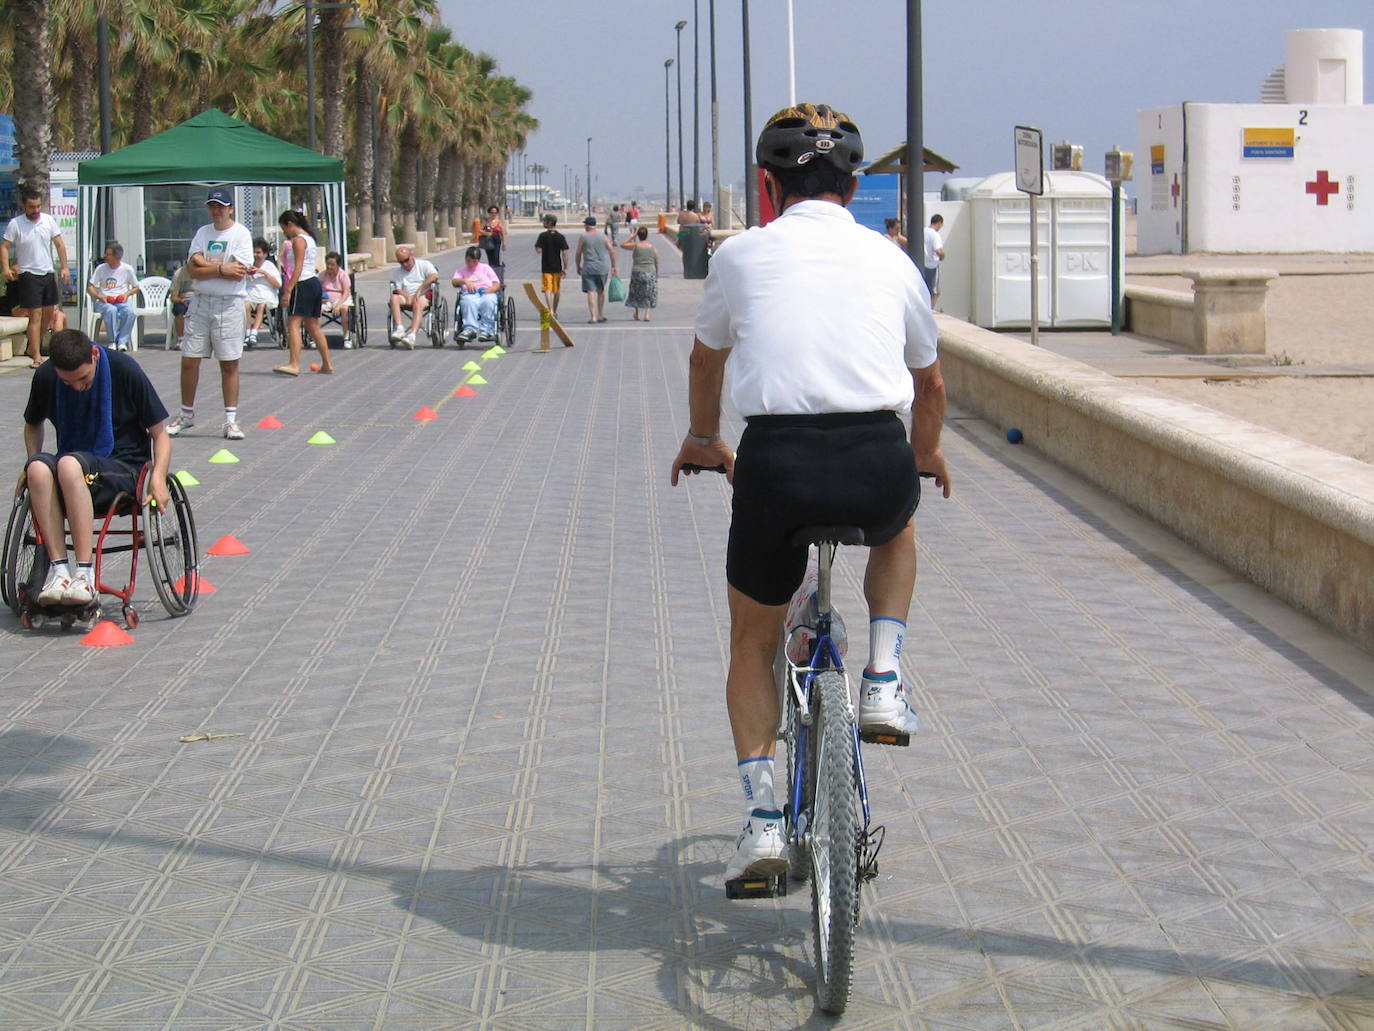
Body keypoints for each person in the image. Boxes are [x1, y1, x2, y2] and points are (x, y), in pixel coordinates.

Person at [669, 103, 951, 888]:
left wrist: (702, 440)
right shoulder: (893, 258)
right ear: (854, 185)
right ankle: (885, 680)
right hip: (872, 454)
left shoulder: (739, 256)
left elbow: (705, 363)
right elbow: (930, 381)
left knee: (750, 645)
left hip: (777, 464)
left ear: (767, 187)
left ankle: (763, 824)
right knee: (898, 522)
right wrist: (924, 453)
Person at [19, 328, 170, 607]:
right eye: (68, 382)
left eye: (83, 378)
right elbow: (33, 424)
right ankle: (60, 570)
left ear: (94, 354)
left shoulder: (124, 369)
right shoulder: (47, 376)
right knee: (38, 469)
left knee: (67, 464)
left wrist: (158, 476)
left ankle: (85, 573)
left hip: (123, 467)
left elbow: (160, 433)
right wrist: (31, 459)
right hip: (73, 465)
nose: (77, 387)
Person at [169, 187, 253, 441]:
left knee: (229, 362)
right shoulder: (202, 233)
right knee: (189, 358)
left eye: (221, 206)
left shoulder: (241, 234)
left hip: (229, 304)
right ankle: (186, 414)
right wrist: (219, 268)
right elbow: (192, 269)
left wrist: (208, 266)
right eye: (212, 206)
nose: (216, 211)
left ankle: (230, 420)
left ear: (230, 209)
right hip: (201, 302)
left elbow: (238, 270)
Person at [1, 187, 69, 368]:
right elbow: (5, 246)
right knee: (35, 316)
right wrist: (6, 268)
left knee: (49, 315)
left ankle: (33, 346)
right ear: (24, 206)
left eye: (38, 206)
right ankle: (36, 356)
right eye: (32, 207)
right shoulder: (16, 224)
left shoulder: (48, 221)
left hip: (47, 272)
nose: (36, 210)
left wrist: (64, 267)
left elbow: (60, 245)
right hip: (28, 274)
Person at [272, 210, 333, 375]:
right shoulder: (310, 239)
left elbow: (297, 267)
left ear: (290, 224)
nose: (284, 232)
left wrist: (288, 290)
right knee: (313, 326)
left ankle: (294, 363)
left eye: (284, 228)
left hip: (302, 283)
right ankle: (327, 363)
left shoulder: (298, 240)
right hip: (313, 282)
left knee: (293, 323)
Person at [85, 242, 139, 352]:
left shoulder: (127, 269)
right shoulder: (101, 268)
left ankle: (122, 341)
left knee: (130, 313)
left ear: (116, 257)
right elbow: (90, 287)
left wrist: (126, 295)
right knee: (111, 310)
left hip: (120, 301)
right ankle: (112, 341)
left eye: (108, 254)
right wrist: (98, 296)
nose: (105, 256)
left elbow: (136, 287)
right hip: (104, 301)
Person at [388, 246, 438, 349]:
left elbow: (434, 276)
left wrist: (419, 291)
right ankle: (400, 328)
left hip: (423, 295)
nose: (405, 264)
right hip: (406, 296)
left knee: (418, 303)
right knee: (394, 298)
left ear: (411, 255)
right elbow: (397, 289)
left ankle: (412, 335)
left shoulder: (424, 265)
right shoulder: (398, 272)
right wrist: (406, 295)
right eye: (401, 262)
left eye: (406, 260)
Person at [451, 246, 502, 343]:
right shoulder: (461, 271)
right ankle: (470, 329)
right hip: (470, 293)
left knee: (488, 301)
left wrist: (491, 289)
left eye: (474, 261)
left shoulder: (486, 268)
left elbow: (497, 283)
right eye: (468, 261)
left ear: (478, 260)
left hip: (486, 292)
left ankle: (487, 330)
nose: (471, 264)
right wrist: (465, 281)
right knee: (468, 302)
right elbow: (454, 281)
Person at [574, 216, 616, 324]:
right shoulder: (603, 236)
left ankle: (593, 316)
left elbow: (578, 253)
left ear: (587, 226)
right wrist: (614, 266)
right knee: (601, 291)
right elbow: (611, 251)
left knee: (590, 292)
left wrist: (578, 265)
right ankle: (600, 315)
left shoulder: (583, 236)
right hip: (602, 268)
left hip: (589, 267)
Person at [243, 238, 281, 350]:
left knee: (261, 305)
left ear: (265, 254)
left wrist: (264, 273)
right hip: (250, 293)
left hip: (265, 293)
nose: (256, 255)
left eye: (258, 252)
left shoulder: (269, 265)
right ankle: (247, 333)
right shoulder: (248, 264)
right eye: (254, 252)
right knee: (246, 305)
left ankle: (254, 333)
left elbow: (278, 284)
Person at [618, 226, 659, 321]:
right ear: (647, 235)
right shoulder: (652, 247)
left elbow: (622, 244)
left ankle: (636, 313)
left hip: (637, 271)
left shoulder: (636, 246)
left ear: (639, 235)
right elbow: (657, 260)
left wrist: (633, 236)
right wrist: (657, 272)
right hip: (650, 271)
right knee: (650, 293)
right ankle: (647, 314)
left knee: (635, 292)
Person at [534, 214, 569, 318]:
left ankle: (550, 310)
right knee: (556, 290)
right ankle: (555, 310)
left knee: (547, 289)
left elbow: (538, 250)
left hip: (546, 266)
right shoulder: (560, 236)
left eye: (544, 221)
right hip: (557, 266)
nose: (543, 223)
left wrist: (541, 248)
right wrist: (565, 267)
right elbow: (565, 253)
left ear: (549, 222)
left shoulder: (543, 236)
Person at [319, 251, 353, 348]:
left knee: (344, 309)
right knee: (316, 310)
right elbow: (317, 289)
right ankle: (315, 337)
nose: (329, 267)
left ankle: (346, 336)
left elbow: (346, 292)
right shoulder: (322, 275)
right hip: (326, 300)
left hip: (341, 299)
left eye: (332, 265)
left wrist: (338, 305)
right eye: (328, 264)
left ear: (338, 265)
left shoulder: (343, 275)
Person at [922, 214, 945, 309]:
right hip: (932, 265)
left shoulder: (923, 231)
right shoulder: (935, 235)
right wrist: (943, 256)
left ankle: (924, 308)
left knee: (924, 289)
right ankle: (930, 310)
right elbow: (938, 250)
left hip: (922, 263)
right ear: (939, 222)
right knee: (935, 291)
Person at [168, 262, 194, 343]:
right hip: (183, 299)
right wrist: (181, 301)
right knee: (179, 310)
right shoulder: (179, 274)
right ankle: (181, 339)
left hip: (200, 298)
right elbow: (173, 297)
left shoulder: (203, 272)